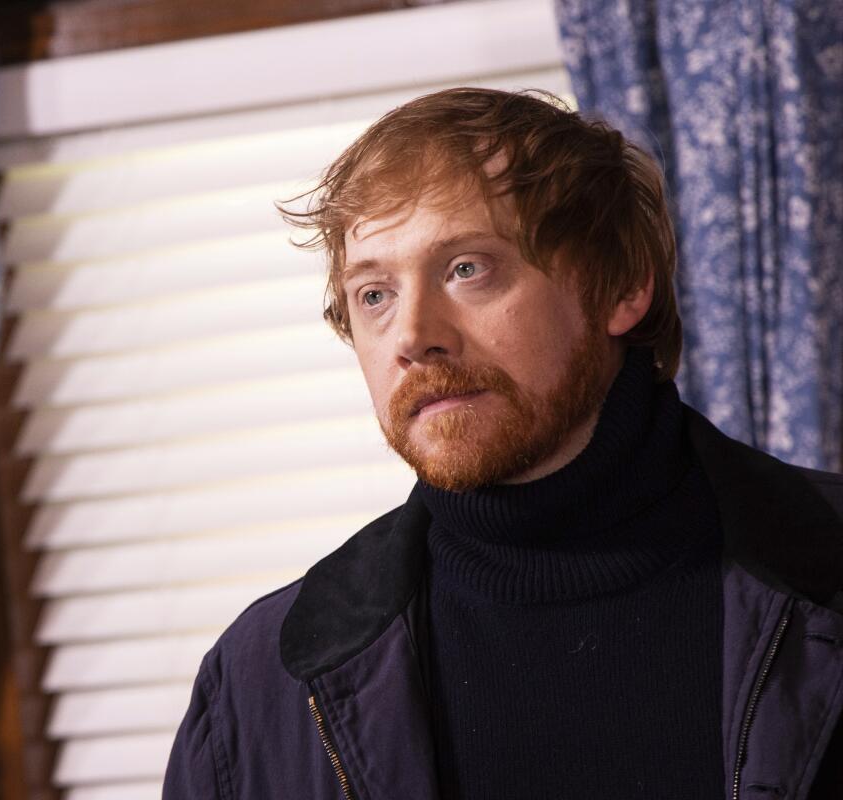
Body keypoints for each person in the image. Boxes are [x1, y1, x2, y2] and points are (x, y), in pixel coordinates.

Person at [162, 88, 843, 799]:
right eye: (374, 294)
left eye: (466, 268)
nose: (413, 334)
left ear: (622, 286)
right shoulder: (259, 689)